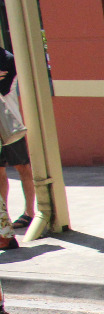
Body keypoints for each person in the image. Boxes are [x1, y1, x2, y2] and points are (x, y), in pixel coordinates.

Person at [0, 47, 33, 235]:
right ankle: (4, 217)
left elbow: (3, 89)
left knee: (22, 167)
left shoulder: (7, 59)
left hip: (10, 123)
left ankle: (29, 212)